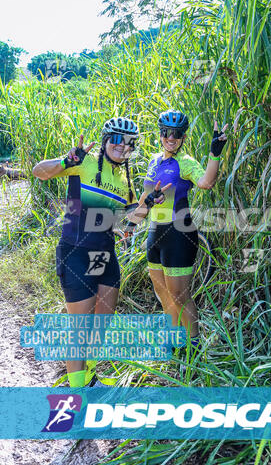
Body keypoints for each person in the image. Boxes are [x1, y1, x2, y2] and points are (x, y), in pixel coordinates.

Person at [32, 117, 170, 387]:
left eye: (129, 142)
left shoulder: (124, 178)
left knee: (101, 324)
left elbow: (127, 220)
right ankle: (77, 392)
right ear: (106, 140)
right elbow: (38, 171)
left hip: (105, 256)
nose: (123, 146)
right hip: (76, 252)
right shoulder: (82, 163)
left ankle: (90, 377)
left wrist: (149, 203)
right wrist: (65, 161)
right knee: (79, 331)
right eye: (117, 139)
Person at [139, 110, 228, 357]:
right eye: (167, 132)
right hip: (155, 234)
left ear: (183, 137)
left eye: (176, 134)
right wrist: (131, 222)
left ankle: (194, 345)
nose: (171, 137)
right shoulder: (154, 162)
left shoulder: (186, 162)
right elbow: (143, 203)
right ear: (160, 135)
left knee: (180, 295)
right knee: (163, 293)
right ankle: (174, 339)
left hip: (179, 235)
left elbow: (206, 182)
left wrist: (214, 154)